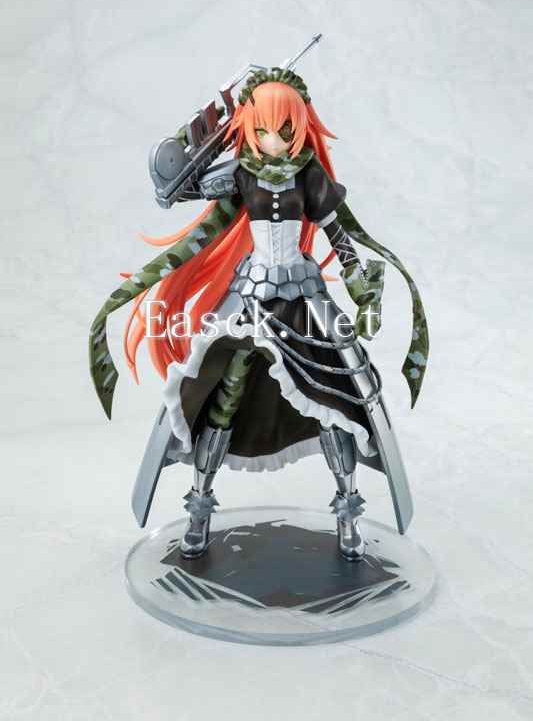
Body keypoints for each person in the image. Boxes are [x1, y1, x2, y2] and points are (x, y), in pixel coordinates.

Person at [89, 67, 429, 564]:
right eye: (263, 128)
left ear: (300, 126)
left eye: (284, 129)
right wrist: (192, 140)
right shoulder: (241, 173)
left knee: (332, 398)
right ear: (249, 125)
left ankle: (348, 515)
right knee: (225, 390)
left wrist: (359, 282)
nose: (273, 139)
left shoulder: (309, 174)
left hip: (302, 296)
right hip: (249, 296)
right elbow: (178, 190)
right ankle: (199, 509)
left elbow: (338, 235)